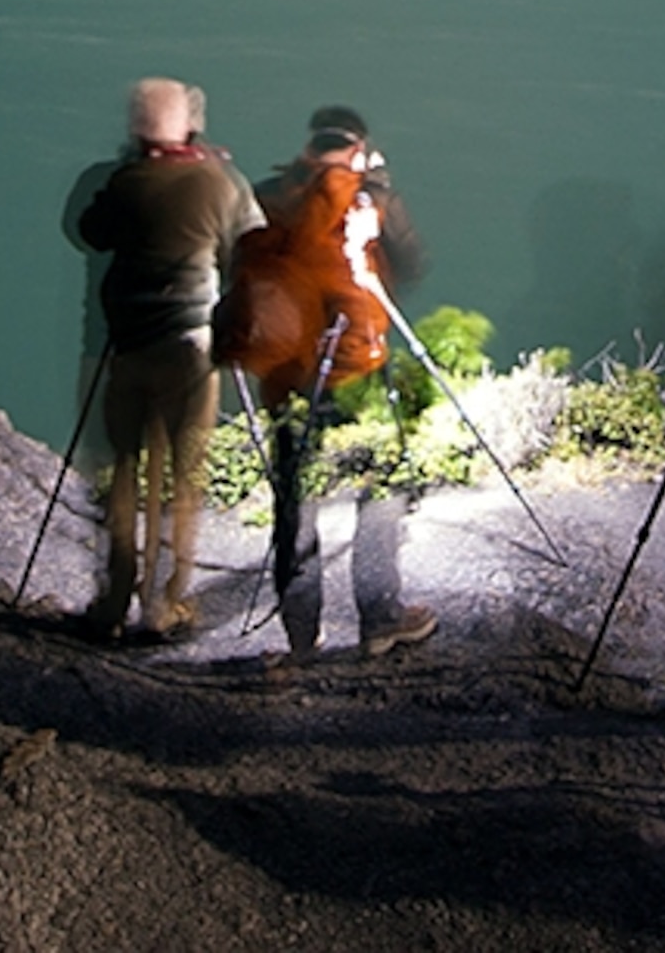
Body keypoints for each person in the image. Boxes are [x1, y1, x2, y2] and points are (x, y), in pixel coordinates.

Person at [216, 112, 435, 665]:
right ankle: (380, 618)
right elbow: (412, 264)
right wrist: (381, 200)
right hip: (357, 373)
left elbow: (234, 261)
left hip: (289, 373)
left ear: (310, 147)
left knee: (296, 498)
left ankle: (300, 629)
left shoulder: (270, 196)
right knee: (381, 489)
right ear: (359, 148)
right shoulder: (372, 199)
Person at [70, 77, 259, 640]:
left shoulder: (121, 182)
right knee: (184, 474)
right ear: (190, 126)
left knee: (122, 471)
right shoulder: (219, 182)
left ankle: (112, 599)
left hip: (125, 349)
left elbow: (87, 232)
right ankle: (164, 601)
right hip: (193, 351)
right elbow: (250, 245)